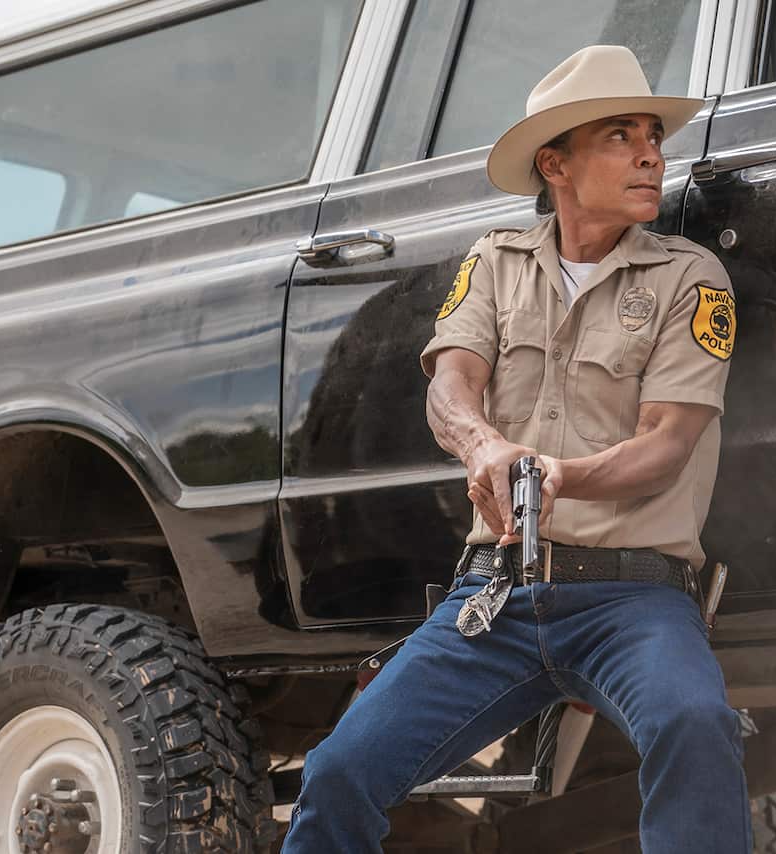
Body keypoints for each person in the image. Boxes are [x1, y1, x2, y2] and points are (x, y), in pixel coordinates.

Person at [282, 45, 748, 853]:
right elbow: (449, 385)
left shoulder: (690, 277)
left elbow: (668, 446)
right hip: (494, 599)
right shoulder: (494, 261)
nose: (650, 154)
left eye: (653, 135)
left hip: (634, 600)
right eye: (619, 135)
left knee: (697, 724)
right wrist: (483, 446)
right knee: (338, 772)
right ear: (555, 163)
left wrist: (556, 477)